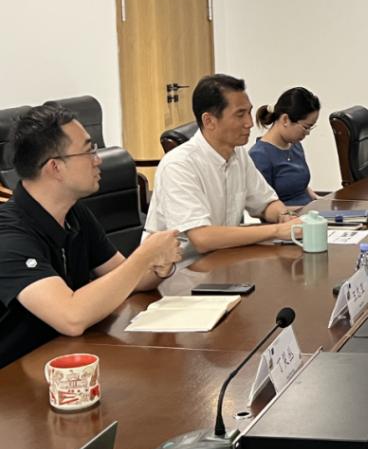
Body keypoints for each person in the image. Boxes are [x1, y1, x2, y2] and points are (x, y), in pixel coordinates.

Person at [0, 104, 181, 367]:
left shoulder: (74, 213)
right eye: (88, 151)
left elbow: (130, 277)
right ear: (55, 167)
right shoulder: (8, 234)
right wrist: (144, 256)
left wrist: (160, 264)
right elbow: (71, 317)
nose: (98, 159)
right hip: (15, 378)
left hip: (66, 359)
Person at [143, 74, 300, 260]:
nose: (249, 123)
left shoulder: (238, 154)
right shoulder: (178, 165)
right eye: (240, 115)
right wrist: (278, 230)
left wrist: (284, 215)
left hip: (220, 259)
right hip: (176, 268)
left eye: (249, 112)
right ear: (209, 121)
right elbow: (202, 238)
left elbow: (266, 203)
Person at [249, 87, 321, 206]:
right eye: (306, 127)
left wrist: (319, 200)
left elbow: (301, 187)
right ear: (285, 119)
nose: (307, 133)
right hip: (286, 215)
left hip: (308, 210)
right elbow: (264, 206)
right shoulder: (259, 155)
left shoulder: (295, 145)